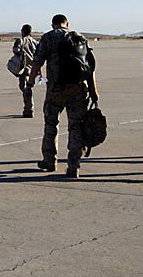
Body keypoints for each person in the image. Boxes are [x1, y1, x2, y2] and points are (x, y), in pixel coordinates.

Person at [27, 14, 99, 178]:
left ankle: (49, 161)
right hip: (79, 89)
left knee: (51, 124)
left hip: (56, 89)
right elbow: (90, 67)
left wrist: (30, 84)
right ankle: (74, 166)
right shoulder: (79, 38)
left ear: (53, 25)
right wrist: (94, 91)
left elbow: (37, 62)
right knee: (75, 126)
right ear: (67, 24)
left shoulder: (48, 38)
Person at [13, 24, 39, 117]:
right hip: (34, 69)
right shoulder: (35, 42)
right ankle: (28, 107)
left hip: (25, 68)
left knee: (25, 89)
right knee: (28, 87)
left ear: (22, 31)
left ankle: (28, 109)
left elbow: (16, 50)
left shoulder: (21, 41)